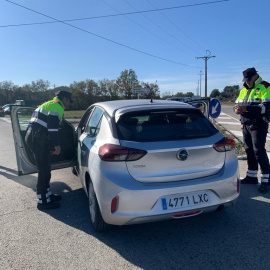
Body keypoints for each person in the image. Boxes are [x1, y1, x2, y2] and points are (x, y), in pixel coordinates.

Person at [25, 90, 73, 210]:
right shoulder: (57, 107)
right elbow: (52, 129)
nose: (69, 104)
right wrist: (57, 147)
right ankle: (42, 202)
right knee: (43, 171)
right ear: (65, 99)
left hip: (37, 138)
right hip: (37, 139)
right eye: (69, 101)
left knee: (46, 169)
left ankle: (47, 195)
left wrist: (50, 146)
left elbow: (46, 127)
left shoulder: (50, 104)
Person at [234, 67, 270, 193]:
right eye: (246, 79)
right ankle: (251, 176)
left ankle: (266, 179)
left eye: (249, 79)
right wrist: (236, 109)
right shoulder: (244, 89)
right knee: (249, 149)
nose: (247, 82)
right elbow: (237, 103)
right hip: (245, 123)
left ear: (255, 76)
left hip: (258, 124)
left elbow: (266, 108)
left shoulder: (265, 86)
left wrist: (246, 109)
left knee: (258, 150)